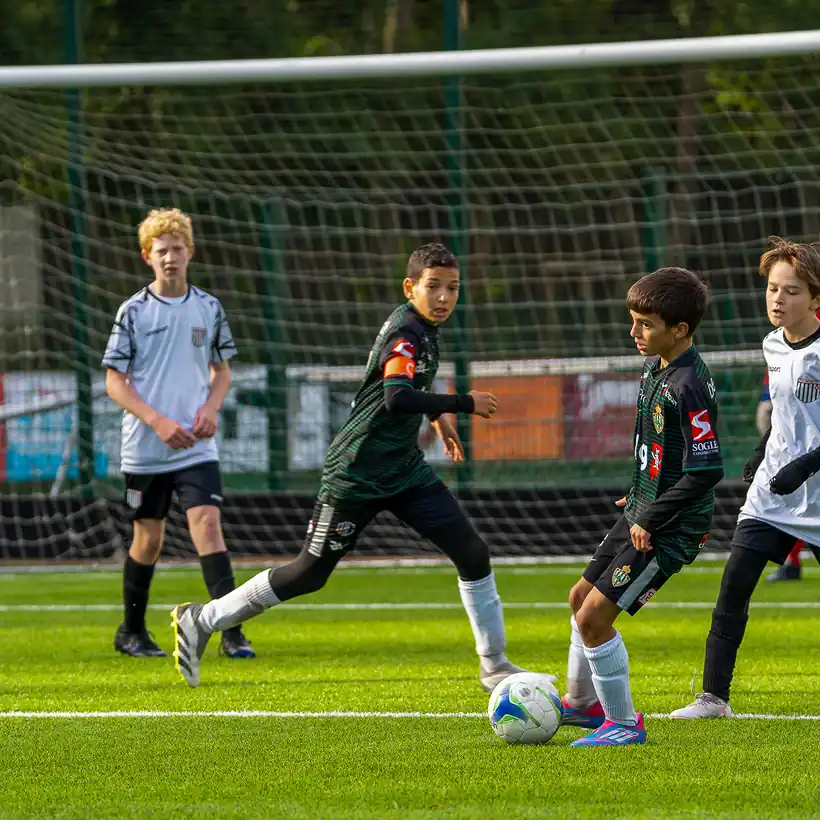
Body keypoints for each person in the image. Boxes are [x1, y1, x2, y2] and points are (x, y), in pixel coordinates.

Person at [170, 242, 531, 690]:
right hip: (357, 471)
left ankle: (494, 666)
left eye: (452, 288)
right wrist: (464, 403)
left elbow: (412, 382)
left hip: (404, 470)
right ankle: (203, 618)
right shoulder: (406, 333)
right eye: (433, 286)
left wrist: (439, 417)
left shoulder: (423, 329)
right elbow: (396, 397)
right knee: (309, 572)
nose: (443, 297)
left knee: (472, 552)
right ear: (410, 288)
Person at [560, 267, 723, 746]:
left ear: (680, 329)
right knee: (579, 599)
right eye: (633, 320)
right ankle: (583, 705)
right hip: (642, 511)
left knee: (594, 619)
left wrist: (652, 514)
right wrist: (640, 491)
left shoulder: (689, 383)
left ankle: (624, 725)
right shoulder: (658, 366)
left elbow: (707, 469)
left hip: (669, 527)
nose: (634, 332)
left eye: (645, 324)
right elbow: (662, 449)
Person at [671, 237, 820, 719]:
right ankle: (713, 698)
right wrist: (762, 455)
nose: (779, 299)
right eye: (773, 288)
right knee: (733, 586)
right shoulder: (772, 344)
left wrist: (803, 466)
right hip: (772, 495)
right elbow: (785, 416)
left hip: (815, 493)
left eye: (792, 291)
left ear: (815, 299)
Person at [102, 207, 254, 659]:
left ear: (191, 252)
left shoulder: (209, 307)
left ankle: (231, 632)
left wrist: (210, 408)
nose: (170, 258)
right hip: (146, 450)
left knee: (207, 525)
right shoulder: (133, 311)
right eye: (161, 251)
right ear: (147, 257)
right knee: (148, 539)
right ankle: (132, 631)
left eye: (177, 249)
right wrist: (158, 422)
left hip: (196, 447)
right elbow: (114, 382)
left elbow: (221, 371)